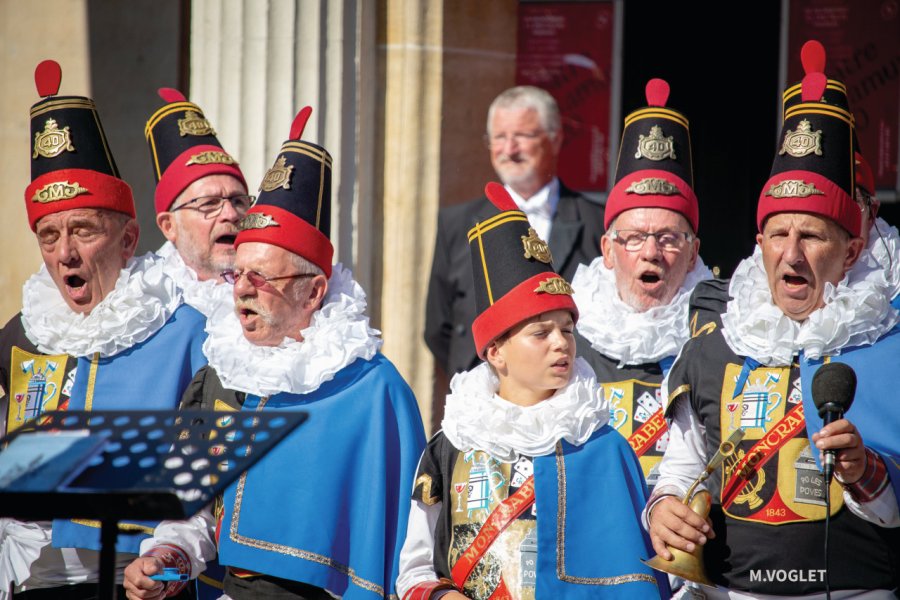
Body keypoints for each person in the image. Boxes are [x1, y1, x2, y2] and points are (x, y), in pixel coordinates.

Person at [122, 107, 426, 600]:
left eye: (261, 278)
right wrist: (165, 561)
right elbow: (193, 516)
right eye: (238, 274)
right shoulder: (221, 376)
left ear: (313, 292)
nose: (242, 290)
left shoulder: (375, 392)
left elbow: (406, 548)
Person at [646, 56, 900, 598]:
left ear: (852, 249)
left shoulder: (888, 345)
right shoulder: (718, 340)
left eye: (811, 235)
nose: (792, 255)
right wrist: (664, 509)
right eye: (777, 234)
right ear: (758, 244)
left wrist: (866, 471)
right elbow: (681, 469)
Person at [398, 182, 666, 599]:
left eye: (567, 329)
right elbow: (414, 569)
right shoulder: (450, 447)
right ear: (496, 352)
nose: (562, 343)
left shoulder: (603, 447)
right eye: (541, 333)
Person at [0, 61, 207, 599]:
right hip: (36, 581)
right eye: (49, 236)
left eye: (83, 230)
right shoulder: (23, 334)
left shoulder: (186, 331)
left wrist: (169, 556)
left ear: (129, 238)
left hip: (139, 578)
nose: (65, 252)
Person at [424, 86, 604, 429]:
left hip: (571, 412)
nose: (509, 149)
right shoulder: (455, 223)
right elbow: (438, 326)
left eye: (522, 136)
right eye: (499, 137)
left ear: (555, 138)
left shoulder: (598, 222)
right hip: (483, 411)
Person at [571, 79, 710, 490]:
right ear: (608, 250)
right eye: (633, 238)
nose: (651, 252)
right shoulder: (569, 333)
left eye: (669, 238)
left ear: (693, 252)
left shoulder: (724, 332)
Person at [145, 88, 251, 316]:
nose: (230, 214)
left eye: (239, 201)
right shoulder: (143, 309)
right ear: (169, 226)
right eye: (209, 203)